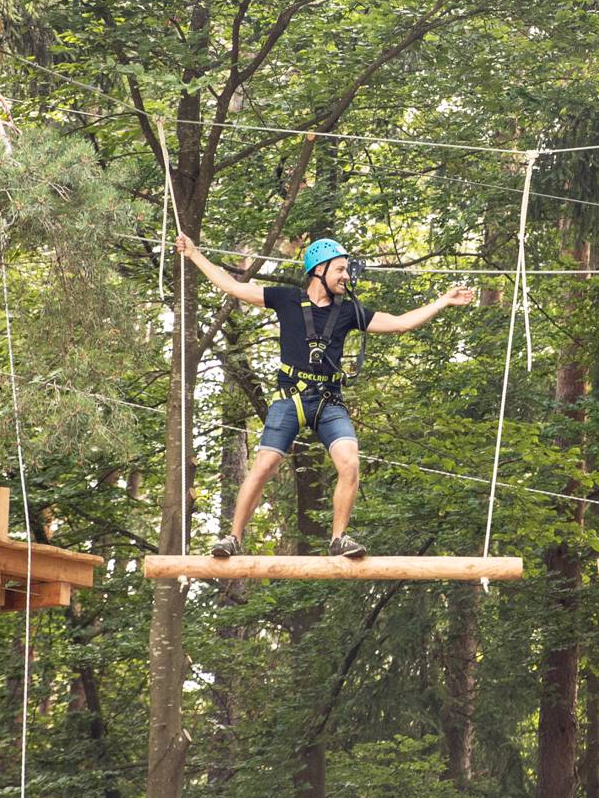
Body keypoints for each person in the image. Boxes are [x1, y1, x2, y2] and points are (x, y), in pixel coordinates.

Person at [175, 234, 475, 558]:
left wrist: (443, 301)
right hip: (291, 398)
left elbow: (400, 324)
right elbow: (234, 287)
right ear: (319, 270)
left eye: (347, 270)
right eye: (341, 270)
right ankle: (233, 537)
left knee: (350, 462)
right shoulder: (286, 299)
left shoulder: (348, 312)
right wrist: (193, 255)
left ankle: (339, 539)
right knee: (265, 464)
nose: (346, 276)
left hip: (329, 401)